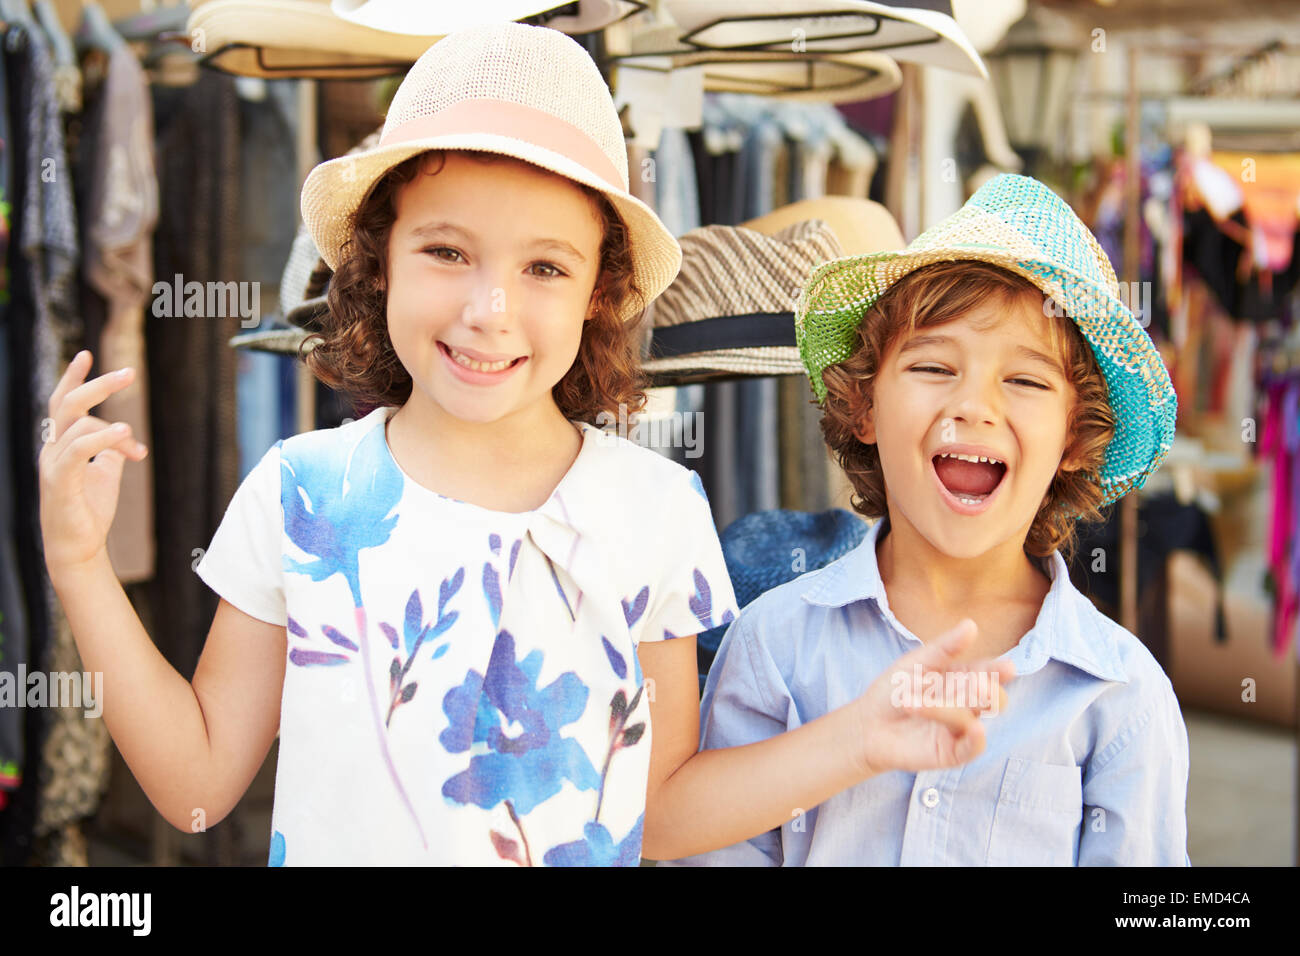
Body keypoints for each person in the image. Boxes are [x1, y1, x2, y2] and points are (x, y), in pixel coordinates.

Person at [37, 22, 1011, 867]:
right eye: (447, 251)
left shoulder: (654, 509)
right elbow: (198, 787)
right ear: (377, 262)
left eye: (543, 265)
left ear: (597, 293)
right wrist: (79, 563)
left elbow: (657, 814)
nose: (488, 310)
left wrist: (862, 738)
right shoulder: (301, 491)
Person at [666, 174, 1190, 866]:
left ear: (1072, 439)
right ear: (866, 408)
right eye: (934, 366)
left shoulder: (1119, 695)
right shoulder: (774, 644)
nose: (974, 405)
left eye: (1026, 380)